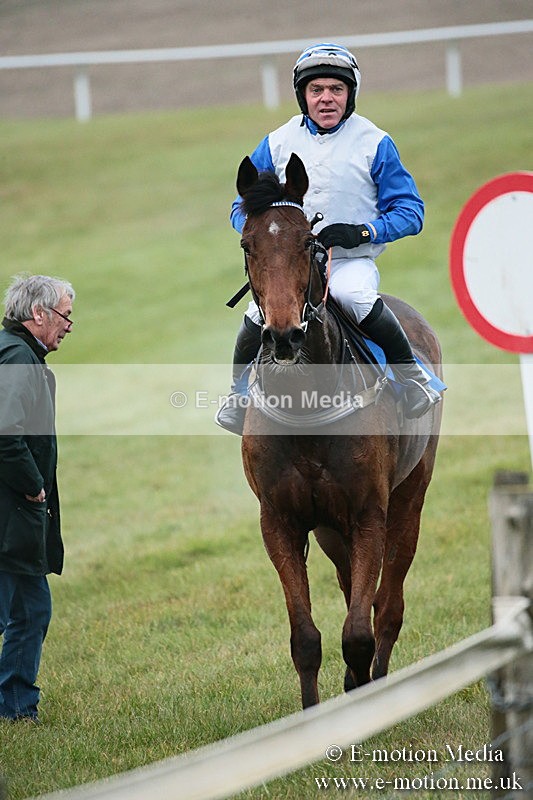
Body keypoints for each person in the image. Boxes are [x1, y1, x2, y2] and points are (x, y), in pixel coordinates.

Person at [216, 42, 441, 435]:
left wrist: (363, 232)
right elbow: (242, 207)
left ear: (349, 95)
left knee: (354, 297)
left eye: (336, 90)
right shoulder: (277, 141)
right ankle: (238, 396)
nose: (326, 99)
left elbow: (411, 211)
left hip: (350, 262)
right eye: (316, 90)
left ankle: (412, 380)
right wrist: (265, 239)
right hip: (292, 264)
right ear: (303, 96)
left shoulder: (375, 143)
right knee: (255, 317)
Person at [0, 274, 75, 723]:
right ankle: (15, 708)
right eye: (65, 316)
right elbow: (6, 434)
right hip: (11, 509)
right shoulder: (18, 360)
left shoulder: (17, 354)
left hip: (13, 512)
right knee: (28, 611)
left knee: (23, 608)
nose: (68, 325)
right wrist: (33, 484)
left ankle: (13, 706)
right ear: (39, 314)